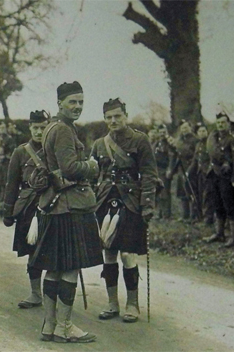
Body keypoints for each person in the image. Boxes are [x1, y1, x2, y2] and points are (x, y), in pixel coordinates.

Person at [30, 81, 101, 343]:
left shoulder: (52, 128)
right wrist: (92, 166)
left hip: (57, 206)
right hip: (70, 206)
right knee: (70, 267)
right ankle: (66, 326)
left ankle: (49, 326)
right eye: (73, 102)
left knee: (54, 268)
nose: (78, 107)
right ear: (60, 103)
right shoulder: (63, 130)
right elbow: (70, 168)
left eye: (81, 102)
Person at [90, 98, 158, 323]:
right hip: (105, 203)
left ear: (125, 116)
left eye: (117, 116)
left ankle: (132, 304)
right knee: (108, 253)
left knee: (128, 254)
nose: (113, 120)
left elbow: (149, 174)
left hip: (130, 203)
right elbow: (92, 177)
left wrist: (147, 204)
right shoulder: (99, 144)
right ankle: (112, 303)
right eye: (108, 117)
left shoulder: (140, 140)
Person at [2, 110, 49, 309]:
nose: (39, 132)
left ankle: (54, 295)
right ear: (30, 128)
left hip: (52, 205)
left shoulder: (56, 149)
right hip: (29, 207)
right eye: (36, 128)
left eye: (43, 127)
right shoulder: (21, 152)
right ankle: (36, 293)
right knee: (32, 250)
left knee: (54, 250)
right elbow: (11, 183)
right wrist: (8, 211)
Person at [204, 113, 234, 247]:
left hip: (227, 178)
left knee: (230, 205)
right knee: (217, 204)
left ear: (228, 124)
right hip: (214, 175)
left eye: (223, 123)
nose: (221, 125)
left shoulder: (233, 139)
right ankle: (219, 233)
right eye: (218, 123)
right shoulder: (213, 138)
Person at [166, 120, 198, 222]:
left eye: (186, 127)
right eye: (182, 128)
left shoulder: (195, 140)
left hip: (191, 167)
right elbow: (175, 153)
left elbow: (195, 155)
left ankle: (194, 216)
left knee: (191, 191)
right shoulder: (179, 140)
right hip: (181, 168)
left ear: (190, 128)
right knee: (182, 192)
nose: (184, 130)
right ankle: (185, 215)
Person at [187, 122, 214, 225]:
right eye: (200, 131)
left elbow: (212, 158)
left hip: (209, 173)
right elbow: (195, 159)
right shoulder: (198, 144)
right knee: (199, 194)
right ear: (197, 133)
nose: (202, 133)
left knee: (208, 196)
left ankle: (209, 218)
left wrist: (209, 170)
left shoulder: (210, 143)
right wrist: (189, 171)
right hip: (200, 173)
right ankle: (200, 216)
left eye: (204, 131)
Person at [152, 124, 172, 219]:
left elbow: (171, 157)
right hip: (156, 170)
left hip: (164, 169)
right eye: (160, 132)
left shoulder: (169, 143)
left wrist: (169, 169)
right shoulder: (156, 143)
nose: (162, 134)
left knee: (165, 192)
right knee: (157, 192)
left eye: (164, 132)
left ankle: (166, 214)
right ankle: (159, 213)